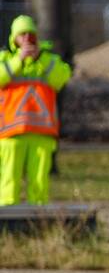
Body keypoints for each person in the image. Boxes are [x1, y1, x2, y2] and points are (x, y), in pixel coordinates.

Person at [0, 15, 72, 205]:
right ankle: (7, 223)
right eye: (21, 34)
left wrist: (40, 57)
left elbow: (61, 78)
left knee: (39, 184)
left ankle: (38, 223)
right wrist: (19, 60)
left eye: (30, 34)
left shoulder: (48, 60)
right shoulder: (5, 59)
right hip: (10, 132)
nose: (26, 39)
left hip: (42, 132)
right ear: (13, 38)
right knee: (9, 180)